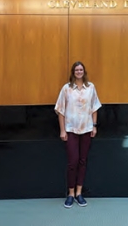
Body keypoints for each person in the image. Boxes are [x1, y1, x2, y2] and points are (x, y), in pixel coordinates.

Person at [55, 61, 101, 208]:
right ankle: (70, 193)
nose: (79, 72)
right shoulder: (66, 89)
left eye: (81, 69)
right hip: (71, 130)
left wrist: (94, 126)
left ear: (84, 72)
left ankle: (79, 193)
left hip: (87, 129)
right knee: (72, 162)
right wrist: (62, 130)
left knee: (82, 161)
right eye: (76, 70)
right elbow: (60, 110)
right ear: (73, 72)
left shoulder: (90, 87)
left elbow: (95, 107)